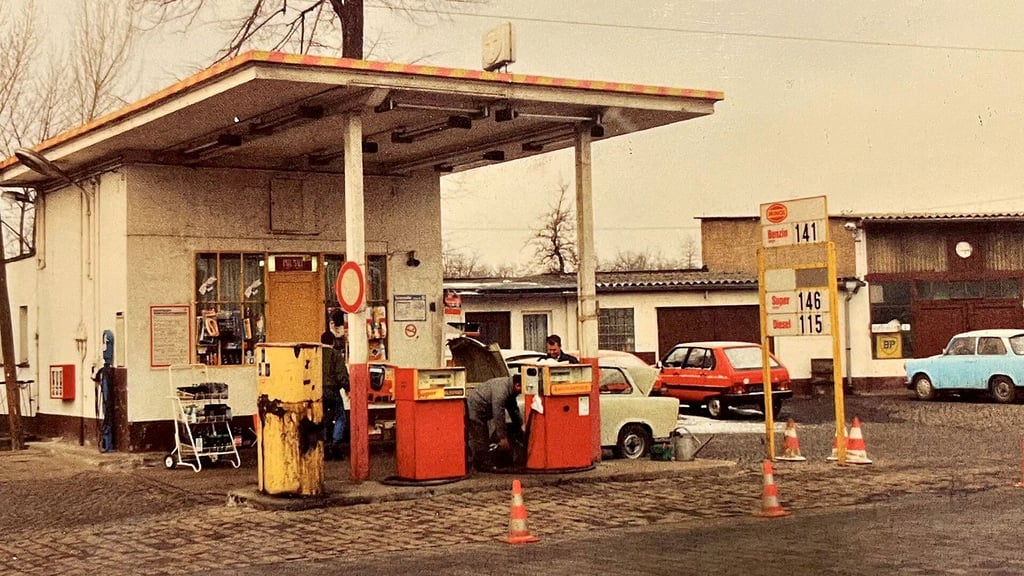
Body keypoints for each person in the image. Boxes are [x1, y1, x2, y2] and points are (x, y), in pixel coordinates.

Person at [465, 374, 523, 472]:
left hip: (481, 407)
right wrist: (503, 437)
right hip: (475, 408)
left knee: (482, 437)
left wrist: (520, 425)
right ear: (517, 385)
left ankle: (480, 463)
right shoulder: (501, 390)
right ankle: (483, 465)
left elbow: (513, 408)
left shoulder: (509, 389)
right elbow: (498, 414)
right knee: (481, 437)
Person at [321, 310, 349, 459]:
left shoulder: (315, 354)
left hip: (318, 391)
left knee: (324, 417)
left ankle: (324, 445)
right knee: (340, 417)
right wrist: (347, 388)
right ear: (332, 342)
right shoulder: (335, 355)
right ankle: (336, 445)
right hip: (332, 391)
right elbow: (341, 375)